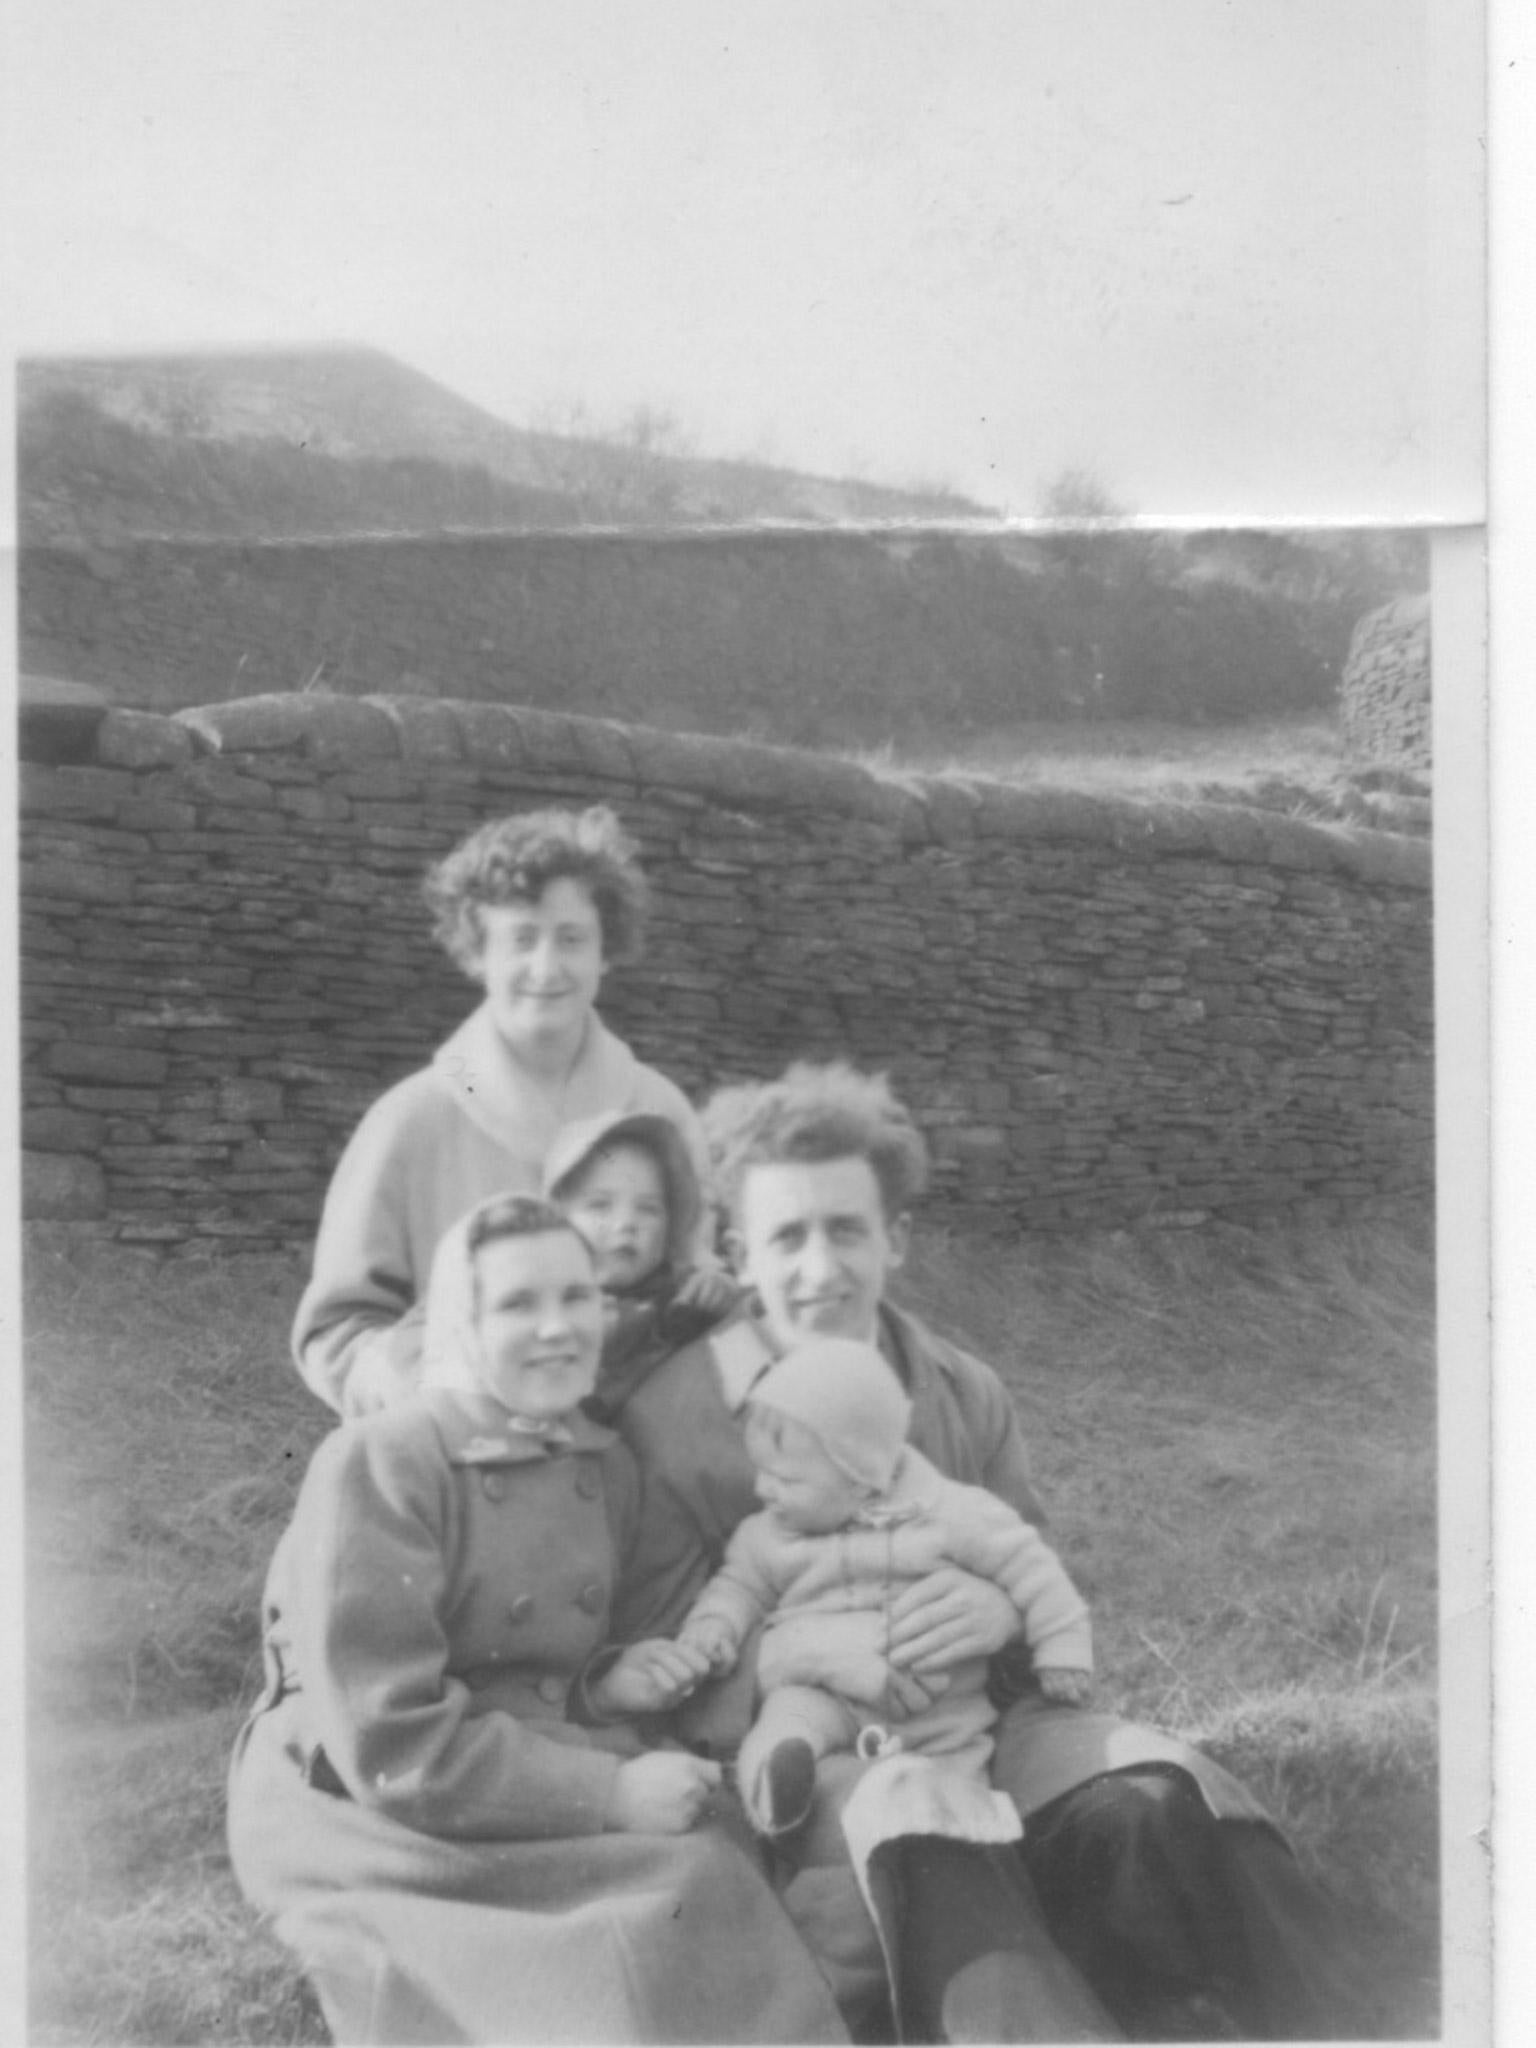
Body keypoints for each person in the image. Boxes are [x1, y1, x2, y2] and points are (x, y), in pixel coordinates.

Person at [610, 1062, 1379, 2043]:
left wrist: (1002, 1612)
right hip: (808, 1761)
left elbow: (1030, 1561)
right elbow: (665, 1663)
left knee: (1150, 1791)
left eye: (847, 1229)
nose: (820, 1266)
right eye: (787, 1235)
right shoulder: (674, 1418)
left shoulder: (959, 1387)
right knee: (926, 1836)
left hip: (982, 1715)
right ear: (738, 1252)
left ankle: (1305, 2014)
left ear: (896, 1238)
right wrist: (809, 1659)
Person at [228, 1192, 847, 2046]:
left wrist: (609, 1683)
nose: (557, 1328)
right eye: (519, 1303)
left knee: (707, 1866)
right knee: (617, 1936)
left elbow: (543, 1671)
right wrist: (607, 1791)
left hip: (516, 1751)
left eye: (577, 1298)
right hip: (369, 1794)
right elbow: (388, 1738)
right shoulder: (382, 1462)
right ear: (459, 1321)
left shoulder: (603, 1465)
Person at [292, 805, 709, 1417]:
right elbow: (337, 1329)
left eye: (571, 939)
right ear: (475, 952)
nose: (546, 968)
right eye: (520, 939)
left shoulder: (659, 1110)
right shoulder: (411, 1119)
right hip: (463, 1467)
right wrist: (429, 1395)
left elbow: (699, 1293)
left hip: (628, 1476)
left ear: (606, 951)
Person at [678, 1334, 1093, 1841]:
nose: (763, 1491)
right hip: (824, 1699)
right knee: (785, 1726)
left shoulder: (951, 1514)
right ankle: (775, 1789)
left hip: (941, 1715)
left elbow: (1034, 1569)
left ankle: (966, 1845)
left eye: (785, 1480)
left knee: (952, 1798)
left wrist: (1063, 1647)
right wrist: (712, 1626)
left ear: (858, 1479)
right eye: (760, 1471)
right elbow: (737, 1587)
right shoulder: (768, 1534)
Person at [543, 1107, 742, 1421]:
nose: (626, 1223)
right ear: (557, 1216)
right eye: (600, 1205)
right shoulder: (536, 1309)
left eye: (648, 1209)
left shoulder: (686, 1301)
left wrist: (724, 1305)